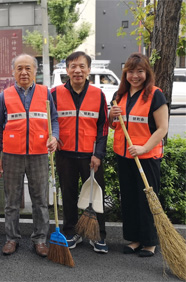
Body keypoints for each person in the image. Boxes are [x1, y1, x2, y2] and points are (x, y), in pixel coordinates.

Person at [0, 53, 58, 257]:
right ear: (13, 71)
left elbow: (54, 120)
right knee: (11, 200)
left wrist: (54, 136)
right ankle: (12, 239)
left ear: (35, 71)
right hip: (12, 155)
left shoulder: (45, 93)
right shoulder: (5, 95)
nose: (23, 72)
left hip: (39, 154)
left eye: (28, 68)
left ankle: (40, 239)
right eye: (19, 68)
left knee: (40, 200)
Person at [109, 53, 168, 257]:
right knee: (130, 199)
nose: (135, 76)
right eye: (131, 71)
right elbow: (114, 125)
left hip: (146, 157)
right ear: (125, 73)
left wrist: (143, 148)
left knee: (147, 200)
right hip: (124, 156)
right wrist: (111, 116)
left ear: (147, 73)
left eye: (140, 71)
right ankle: (134, 239)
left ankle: (149, 242)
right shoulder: (120, 96)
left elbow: (162, 128)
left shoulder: (155, 94)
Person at [51, 51, 109, 253]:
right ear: (66, 70)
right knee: (68, 194)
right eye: (73, 66)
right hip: (65, 154)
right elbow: (49, 121)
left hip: (90, 155)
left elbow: (103, 126)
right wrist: (53, 137)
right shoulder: (55, 94)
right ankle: (70, 232)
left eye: (82, 66)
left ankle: (98, 234)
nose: (77, 70)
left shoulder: (98, 94)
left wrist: (99, 154)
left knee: (95, 194)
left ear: (88, 70)